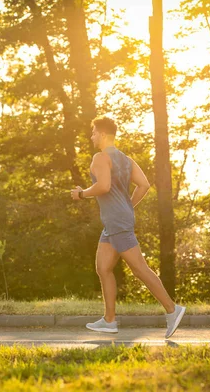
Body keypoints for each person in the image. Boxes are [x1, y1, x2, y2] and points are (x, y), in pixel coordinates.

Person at [70, 116, 186, 339]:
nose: (91, 136)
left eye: (93, 132)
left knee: (139, 268)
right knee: (103, 268)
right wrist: (127, 206)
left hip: (117, 221)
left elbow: (103, 186)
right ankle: (109, 320)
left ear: (103, 134)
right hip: (115, 221)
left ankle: (173, 310)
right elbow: (144, 185)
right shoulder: (126, 159)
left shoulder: (100, 158)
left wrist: (81, 194)